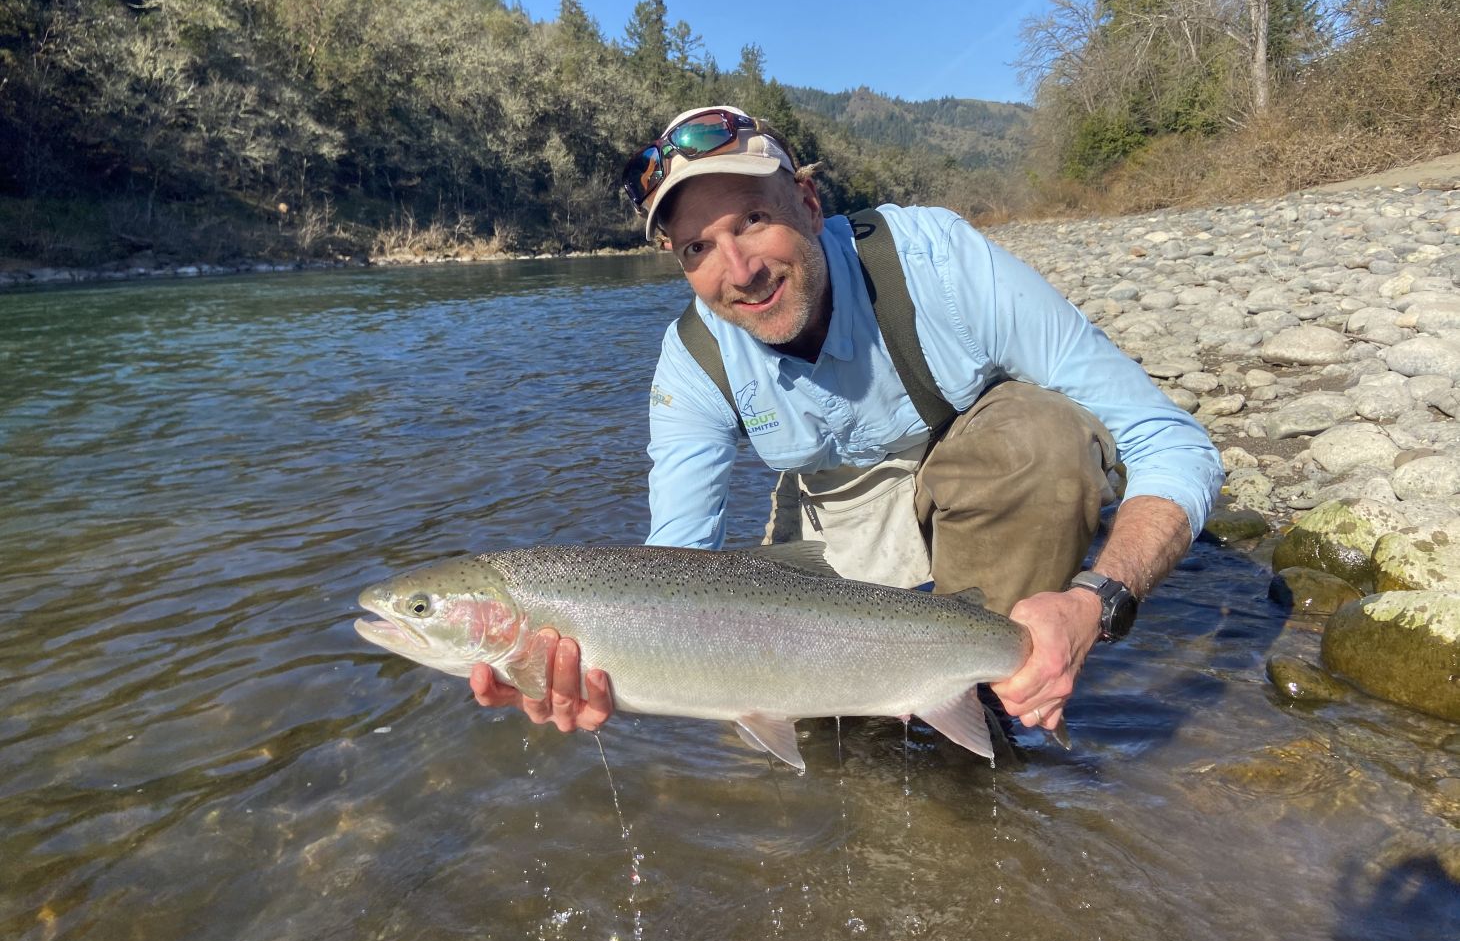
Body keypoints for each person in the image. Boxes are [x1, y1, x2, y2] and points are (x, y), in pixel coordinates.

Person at [471, 105, 1223, 743]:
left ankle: (999, 700)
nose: (737, 270)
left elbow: (1175, 444)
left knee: (1040, 439)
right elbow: (675, 568)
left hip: (988, 486)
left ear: (808, 200)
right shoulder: (693, 358)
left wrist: (1096, 600)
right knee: (815, 758)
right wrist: (611, 665)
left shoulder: (941, 262)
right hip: (835, 535)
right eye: (697, 248)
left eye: (753, 220)